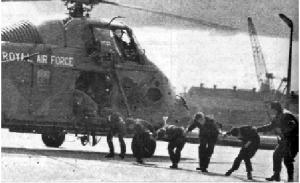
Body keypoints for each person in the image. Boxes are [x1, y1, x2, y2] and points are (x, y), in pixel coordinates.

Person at [256, 101, 298, 182]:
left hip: (292, 141)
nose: (272, 111)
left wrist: (284, 132)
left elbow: (293, 125)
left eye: (272, 109)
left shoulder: (286, 115)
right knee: (276, 155)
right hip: (284, 141)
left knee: (287, 159)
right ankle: (276, 175)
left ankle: (290, 179)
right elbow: (271, 126)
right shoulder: (279, 115)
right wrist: (258, 129)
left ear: (276, 109)